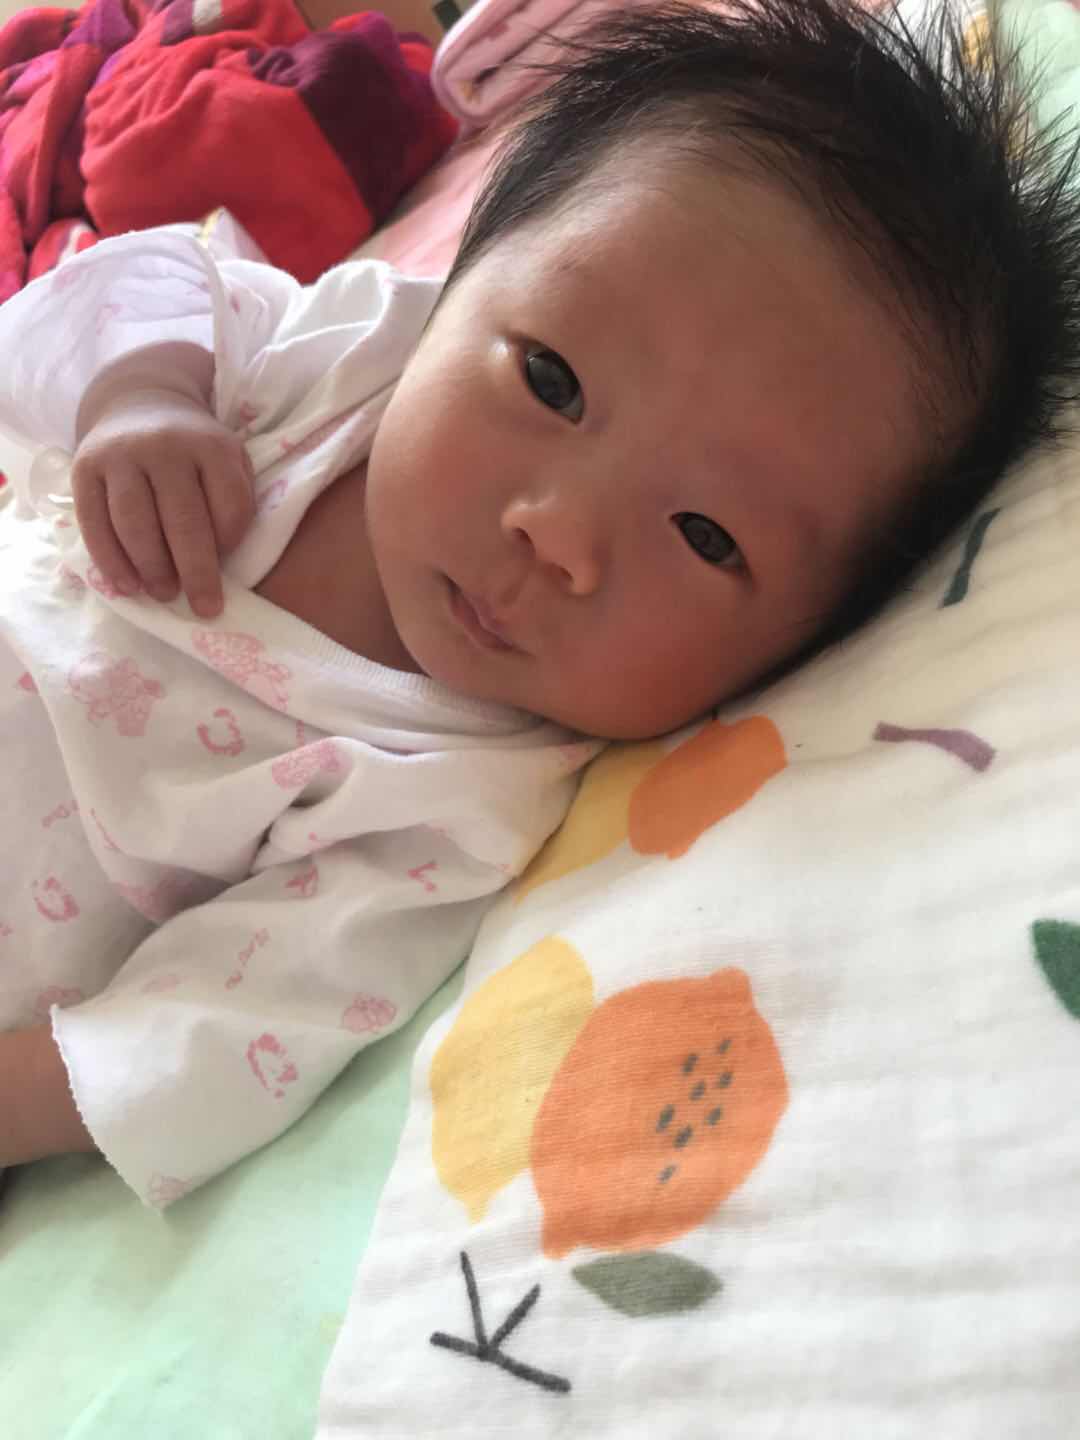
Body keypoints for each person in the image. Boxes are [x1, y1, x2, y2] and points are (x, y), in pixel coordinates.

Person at [1, 0, 1077, 1205]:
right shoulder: (345, 355)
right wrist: (142, 392)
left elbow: (203, 1037)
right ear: (465, 271)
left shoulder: (451, 807)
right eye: (552, 381)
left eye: (707, 535)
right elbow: (124, 284)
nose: (558, 534)